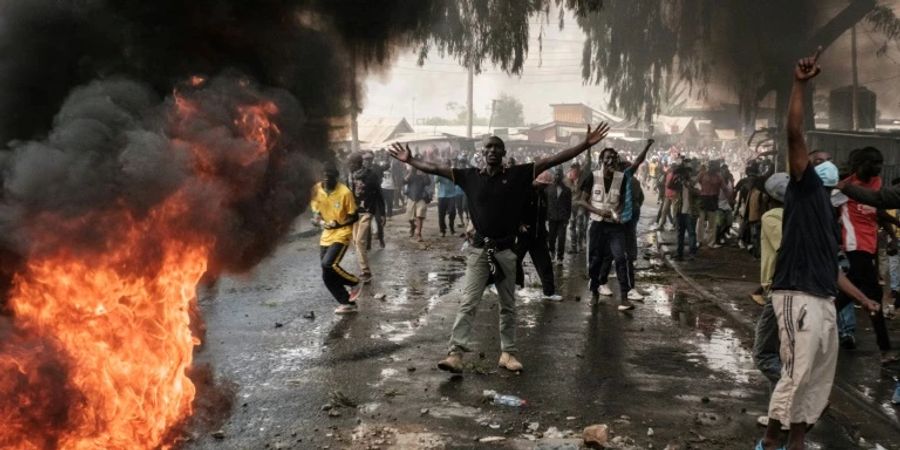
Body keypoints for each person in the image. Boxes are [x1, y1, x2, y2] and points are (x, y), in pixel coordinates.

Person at [388, 123, 611, 374]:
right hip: (480, 251)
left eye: (497, 147)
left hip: (506, 252)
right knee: (468, 302)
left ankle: (508, 353)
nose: (492, 151)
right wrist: (411, 160)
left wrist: (585, 144)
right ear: (483, 153)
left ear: (503, 154)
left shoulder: (518, 175)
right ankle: (455, 354)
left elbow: (554, 159)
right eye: (488, 147)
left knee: (508, 305)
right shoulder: (469, 176)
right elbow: (436, 169)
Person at [757, 49, 879, 450]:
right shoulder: (805, 188)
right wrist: (799, 85)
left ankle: (796, 442)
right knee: (796, 372)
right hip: (796, 295)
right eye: (816, 158)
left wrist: (866, 301)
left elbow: (834, 271)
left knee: (817, 380)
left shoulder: (827, 214)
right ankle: (772, 441)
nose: (820, 160)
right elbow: (793, 133)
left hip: (823, 299)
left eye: (823, 160)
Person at [834, 147, 894, 361]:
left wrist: (894, 231)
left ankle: (818, 323)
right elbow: (828, 210)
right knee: (872, 295)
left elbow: (878, 210)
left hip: (869, 247)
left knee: (848, 293)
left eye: (880, 162)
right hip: (854, 245)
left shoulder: (876, 183)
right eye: (873, 163)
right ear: (859, 165)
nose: (878, 167)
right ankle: (885, 349)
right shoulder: (843, 188)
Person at [576, 139, 652, 310]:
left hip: (615, 226)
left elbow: (622, 201)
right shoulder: (593, 176)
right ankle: (595, 291)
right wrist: (598, 211)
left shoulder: (622, 178)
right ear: (601, 160)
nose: (611, 161)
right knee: (595, 260)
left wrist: (617, 211)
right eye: (607, 158)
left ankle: (624, 297)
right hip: (597, 224)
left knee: (620, 258)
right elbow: (581, 201)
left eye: (614, 158)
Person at [310, 162, 363, 314]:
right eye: (324, 177)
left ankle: (354, 282)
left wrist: (338, 225)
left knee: (329, 264)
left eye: (330, 177)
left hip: (342, 233)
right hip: (326, 235)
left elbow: (354, 216)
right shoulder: (316, 190)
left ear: (336, 178)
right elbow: (315, 213)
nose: (327, 180)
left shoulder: (345, 192)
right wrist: (317, 221)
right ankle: (347, 303)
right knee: (326, 274)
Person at [515, 171, 561, 301]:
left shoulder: (543, 194)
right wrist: (519, 225)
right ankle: (510, 286)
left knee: (545, 263)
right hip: (523, 235)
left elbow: (542, 215)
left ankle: (549, 292)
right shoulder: (524, 192)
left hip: (538, 235)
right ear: (537, 181)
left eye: (546, 186)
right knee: (513, 262)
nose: (544, 187)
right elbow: (513, 210)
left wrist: (543, 230)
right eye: (543, 185)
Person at [349, 151, 384, 283]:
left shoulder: (372, 176)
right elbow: (349, 194)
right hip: (355, 213)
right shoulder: (351, 176)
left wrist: (382, 213)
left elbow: (379, 194)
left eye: (370, 159)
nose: (368, 161)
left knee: (359, 242)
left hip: (367, 212)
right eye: (365, 159)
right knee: (356, 243)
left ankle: (366, 271)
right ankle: (363, 270)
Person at [669, 164, 699, 261]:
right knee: (680, 233)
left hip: (690, 212)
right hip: (680, 211)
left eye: (686, 172)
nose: (685, 174)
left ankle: (692, 254)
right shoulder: (678, 183)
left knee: (691, 233)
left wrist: (688, 185)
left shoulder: (693, 182)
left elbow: (698, 192)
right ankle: (679, 254)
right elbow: (669, 186)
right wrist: (674, 175)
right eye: (683, 172)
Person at [546, 168, 572, 265]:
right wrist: (546, 216)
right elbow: (546, 204)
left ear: (562, 176)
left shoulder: (567, 190)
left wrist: (567, 218)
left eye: (559, 175)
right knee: (551, 238)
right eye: (556, 174)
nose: (557, 176)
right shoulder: (548, 189)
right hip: (552, 218)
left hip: (562, 218)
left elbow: (569, 205)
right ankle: (552, 251)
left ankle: (560, 257)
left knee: (561, 238)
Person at [696, 162, 724, 248]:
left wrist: (730, 197)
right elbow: (696, 183)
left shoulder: (719, 177)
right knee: (701, 221)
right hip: (704, 198)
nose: (713, 169)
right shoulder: (702, 174)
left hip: (713, 199)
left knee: (712, 222)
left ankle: (711, 242)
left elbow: (724, 187)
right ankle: (699, 240)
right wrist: (699, 191)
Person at [404, 167, 431, 242]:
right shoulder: (410, 175)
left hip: (421, 198)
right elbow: (403, 181)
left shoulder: (423, 176)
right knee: (410, 218)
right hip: (411, 197)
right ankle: (413, 226)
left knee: (420, 217)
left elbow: (428, 182)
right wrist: (410, 173)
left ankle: (419, 234)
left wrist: (424, 172)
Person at [566, 162, 586, 254]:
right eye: (572, 170)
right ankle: (573, 246)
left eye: (575, 171)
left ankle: (580, 244)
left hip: (581, 205)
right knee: (572, 226)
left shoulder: (583, 178)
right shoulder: (566, 180)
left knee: (580, 225)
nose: (573, 173)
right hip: (571, 205)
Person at [435, 160, 458, 237]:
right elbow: (435, 181)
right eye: (445, 165)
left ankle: (451, 228)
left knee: (452, 212)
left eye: (448, 165)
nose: (446, 166)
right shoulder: (440, 173)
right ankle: (442, 230)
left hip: (452, 195)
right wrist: (439, 173)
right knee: (441, 214)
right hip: (442, 195)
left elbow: (456, 180)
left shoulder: (452, 172)